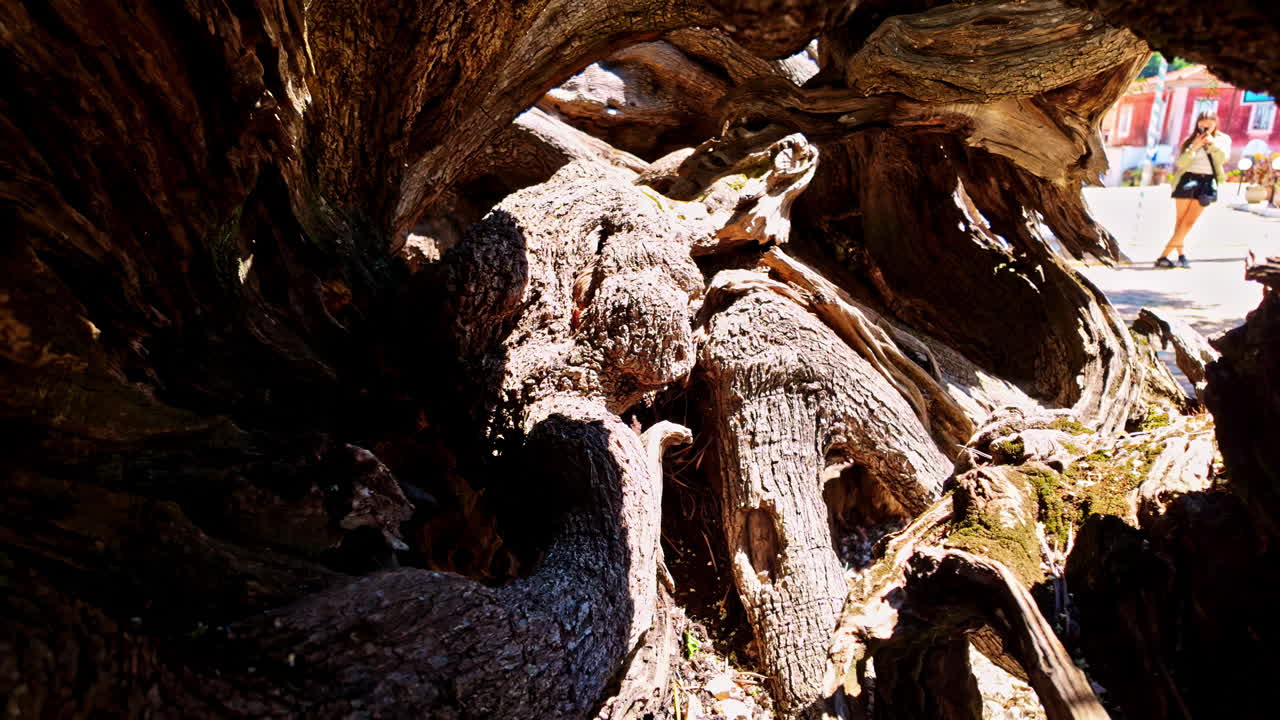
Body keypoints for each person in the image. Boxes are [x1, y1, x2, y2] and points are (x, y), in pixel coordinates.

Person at [1156, 111, 1231, 268]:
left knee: (1189, 222)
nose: (1206, 123)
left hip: (1207, 182)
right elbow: (1181, 163)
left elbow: (1223, 159)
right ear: (1197, 123)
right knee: (1180, 221)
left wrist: (1212, 144)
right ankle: (1180, 255)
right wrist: (1194, 147)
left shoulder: (1223, 140)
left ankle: (1164, 256)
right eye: (1202, 120)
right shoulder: (1189, 140)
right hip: (1188, 179)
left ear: (1215, 122)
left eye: (1210, 120)